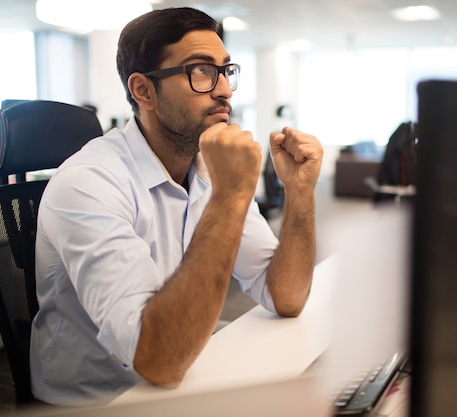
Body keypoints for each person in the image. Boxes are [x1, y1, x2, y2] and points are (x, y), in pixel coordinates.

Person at [29, 7, 323, 406]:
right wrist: (231, 195)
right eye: (200, 71)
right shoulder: (88, 182)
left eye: (225, 70)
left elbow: (285, 296)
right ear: (143, 91)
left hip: (184, 377)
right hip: (99, 401)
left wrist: (299, 192)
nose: (225, 91)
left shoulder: (206, 167)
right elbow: (158, 360)